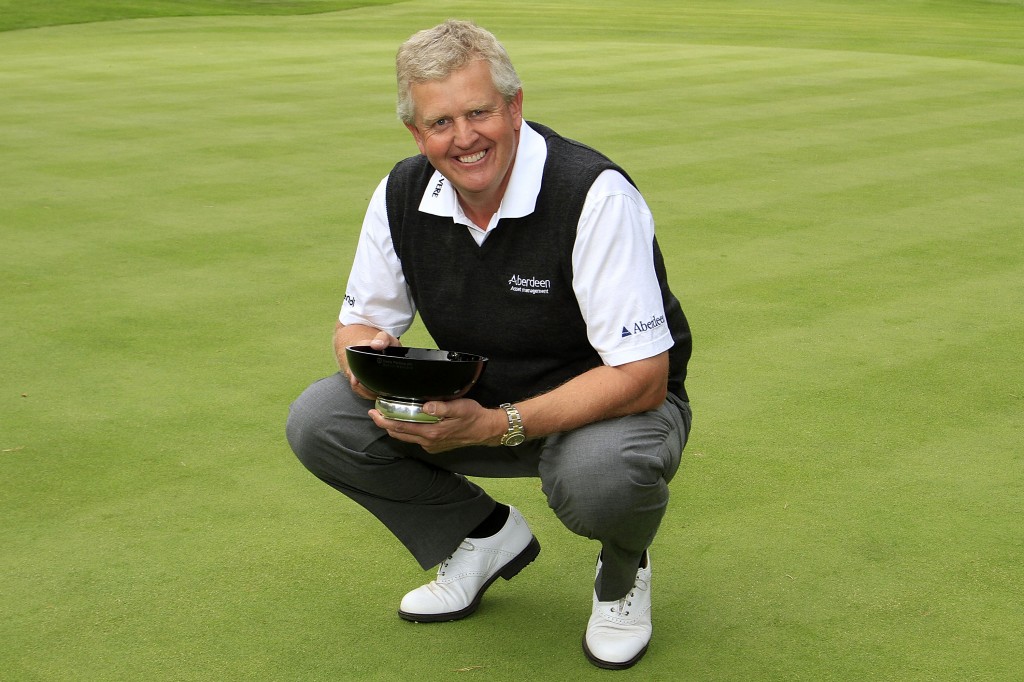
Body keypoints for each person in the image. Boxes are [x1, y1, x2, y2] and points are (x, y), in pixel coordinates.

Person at [286, 19, 693, 670]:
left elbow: (644, 375)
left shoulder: (592, 194)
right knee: (321, 420)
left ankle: (623, 570)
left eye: (479, 112)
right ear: (417, 133)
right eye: (440, 122)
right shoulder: (401, 192)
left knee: (598, 480)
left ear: (515, 106)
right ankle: (480, 537)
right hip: (479, 398)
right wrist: (368, 367)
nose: (464, 137)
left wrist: (498, 425)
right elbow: (357, 325)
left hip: (613, 411)